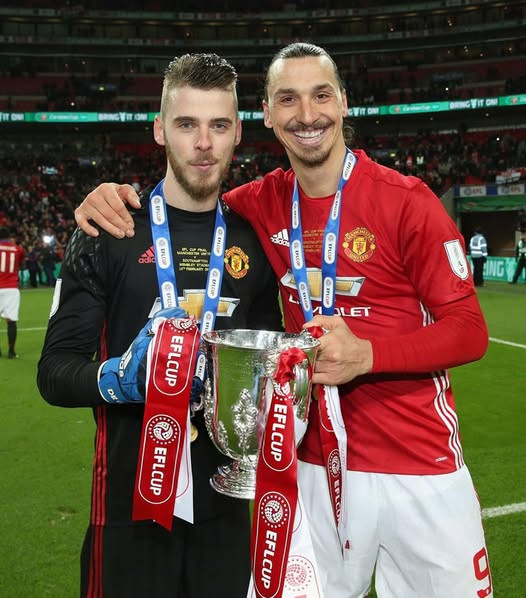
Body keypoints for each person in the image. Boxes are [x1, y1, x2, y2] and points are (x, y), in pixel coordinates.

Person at [74, 43, 492, 598]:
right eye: (288, 99)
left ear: (344, 103)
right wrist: (107, 197)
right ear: (268, 116)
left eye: (321, 95)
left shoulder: (406, 201)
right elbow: (188, 198)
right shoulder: (258, 204)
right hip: (308, 468)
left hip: (418, 462)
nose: (307, 114)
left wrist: (369, 355)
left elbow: (470, 330)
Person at [37, 53, 282, 598]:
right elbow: (54, 372)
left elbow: (268, 367)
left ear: (238, 132)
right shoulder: (108, 229)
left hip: (227, 512)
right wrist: (119, 379)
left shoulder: (255, 240)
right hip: (128, 515)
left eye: (219, 125)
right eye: (187, 124)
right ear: (159, 130)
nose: (204, 143)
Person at [0, 226, 25, 358]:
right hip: (11, 287)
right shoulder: (18, 249)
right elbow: (21, 263)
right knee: (11, 321)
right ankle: (11, 352)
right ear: (9, 236)